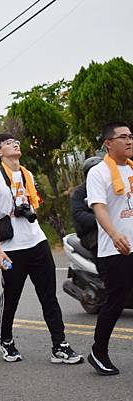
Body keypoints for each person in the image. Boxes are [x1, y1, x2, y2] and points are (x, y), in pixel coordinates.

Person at [0, 133, 82, 364]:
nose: (15, 144)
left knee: (48, 297)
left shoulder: (28, 174)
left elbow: (33, 206)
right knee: (12, 298)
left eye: (16, 141)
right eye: (7, 143)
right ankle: (6, 341)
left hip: (37, 242)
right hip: (11, 248)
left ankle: (60, 346)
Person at [86, 122, 133, 376]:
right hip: (116, 250)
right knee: (115, 302)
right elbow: (99, 207)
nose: (129, 141)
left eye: (131, 136)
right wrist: (115, 235)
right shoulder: (99, 172)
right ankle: (98, 352)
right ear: (108, 143)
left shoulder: (132, 169)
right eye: (123, 137)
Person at [70, 156, 103, 259]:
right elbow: (78, 213)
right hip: (91, 234)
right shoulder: (80, 192)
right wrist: (101, 220)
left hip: (112, 229)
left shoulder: (111, 187)